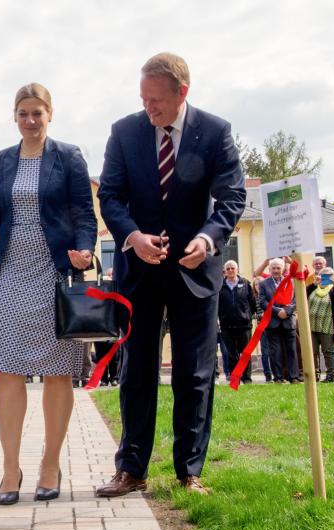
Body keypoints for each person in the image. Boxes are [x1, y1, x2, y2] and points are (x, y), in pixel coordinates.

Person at [95, 53, 245, 497]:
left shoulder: (215, 132)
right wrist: (132, 236)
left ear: (183, 92)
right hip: (138, 272)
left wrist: (209, 239)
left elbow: (232, 197)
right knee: (136, 372)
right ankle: (131, 468)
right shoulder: (125, 132)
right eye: (143, 98)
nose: (149, 108)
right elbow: (111, 194)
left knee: (194, 375)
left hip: (195, 272)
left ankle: (189, 470)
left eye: (157, 100)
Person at [0, 82, 97, 505]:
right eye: (23, 113)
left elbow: (83, 211)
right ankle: (9, 468)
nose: (30, 120)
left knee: (59, 369)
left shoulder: (70, 156)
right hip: (10, 272)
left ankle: (50, 462)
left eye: (37, 113)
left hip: (54, 270)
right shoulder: (0, 160)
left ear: (50, 114)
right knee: (8, 368)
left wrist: (85, 250)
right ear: (15, 116)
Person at [259, 258, 300, 383]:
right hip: (273, 322)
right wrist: (278, 311)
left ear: (283, 269)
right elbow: (262, 302)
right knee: (275, 351)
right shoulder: (264, 283)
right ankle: (278, 377)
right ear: (269, 269)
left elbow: (297, 299)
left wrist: (287, 311)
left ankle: (293, 377)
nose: (276, 270)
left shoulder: (292, 282)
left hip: (289, 320)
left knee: (292, 350)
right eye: (273, 268)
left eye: (278, 268)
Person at [217, 260, 256, 383]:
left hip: (244, 325)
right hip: (226, 325)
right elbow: (216, 305)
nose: (230, 271)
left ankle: (247, 378)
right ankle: (235, 379)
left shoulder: (245, 284)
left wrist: (247, 316)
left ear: (237, 269)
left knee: (245, 353)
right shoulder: (220, 286)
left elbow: (253, 303)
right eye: (227, 269)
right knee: (231, 354)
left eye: (232, 268)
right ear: (225, 271)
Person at [307, 267, 334, 382]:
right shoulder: (313, 287)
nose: (326, 278)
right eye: (324, 275)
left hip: (328, 325)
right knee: (312, 351)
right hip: (311, 325)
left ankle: (331, 374)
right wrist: (313, 284)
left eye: (329, 275)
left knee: (328, 350)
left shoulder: (333, 289)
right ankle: (314, 374)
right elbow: (303, 296)